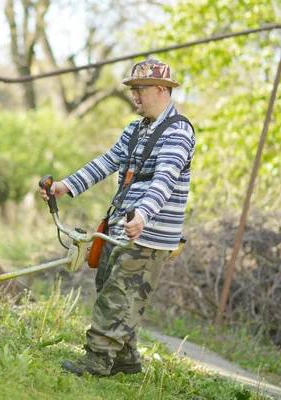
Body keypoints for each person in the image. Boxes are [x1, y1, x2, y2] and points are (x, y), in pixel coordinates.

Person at [39, 59, 195, 377]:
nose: (134, 96)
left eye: (140, 90)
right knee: (112, 287)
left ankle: (96, 361)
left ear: (162, 90)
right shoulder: (135, 129)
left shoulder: (178, 132)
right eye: (132, 90)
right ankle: (126, 360)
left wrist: (144, 214)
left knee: (119, 294)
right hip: (121, 227)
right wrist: (66, 186)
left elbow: (164, 178)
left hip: (149, 233)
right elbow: (108, 161)